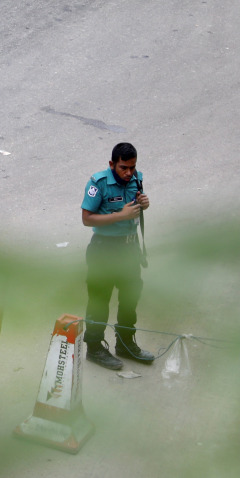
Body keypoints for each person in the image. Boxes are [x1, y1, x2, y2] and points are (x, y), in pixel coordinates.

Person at [80, 142, 155, 370]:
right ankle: (94, 348)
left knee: (130, 298)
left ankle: (124, 343)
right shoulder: (98, 183)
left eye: (132, 167)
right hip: (104, 250)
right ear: (112, 164)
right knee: (100, 301)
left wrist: (144, 204)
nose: (128, 172)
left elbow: (136, 208)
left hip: (129, 250)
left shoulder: (136, 179)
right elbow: (87, 218)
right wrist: (119, 216)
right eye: (123, 167)